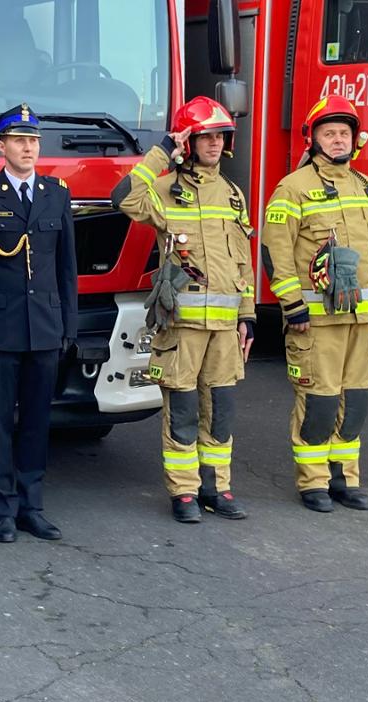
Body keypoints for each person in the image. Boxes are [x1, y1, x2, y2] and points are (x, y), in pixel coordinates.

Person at [113, 96, 257, 523]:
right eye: (205, 136)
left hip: (225, 330)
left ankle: (217, 488)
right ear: (188, 142)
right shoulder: (164, 190)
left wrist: (248, 316)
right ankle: (184, 493)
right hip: (181, 329)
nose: (214, 144)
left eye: (220, 136)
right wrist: (163, 151)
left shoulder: (232, 194)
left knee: (221, 411)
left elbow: (243, 261)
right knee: (183, 411)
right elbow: (123, 196)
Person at [260, 95, 368, 513]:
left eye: (344, 133)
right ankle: (313, 481)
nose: (338, 139)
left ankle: (345, 479)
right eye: (329, 133)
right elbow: (275, 249)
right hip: (315, 322)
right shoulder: (293, 187)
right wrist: (292, 304)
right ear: (313, 139)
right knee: (319, 401)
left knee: (355, 402)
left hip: (360, 319)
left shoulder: (366, 187)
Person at [0, 104, 76, 543]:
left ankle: (32, 506)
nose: (28, 148)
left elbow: (66, 268)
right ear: (1, 145)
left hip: (44, 325)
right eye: (19, 141)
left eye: (33, 141)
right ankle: (3, 508)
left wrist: (68, 325)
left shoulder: (56, 193)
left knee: (36, 421)